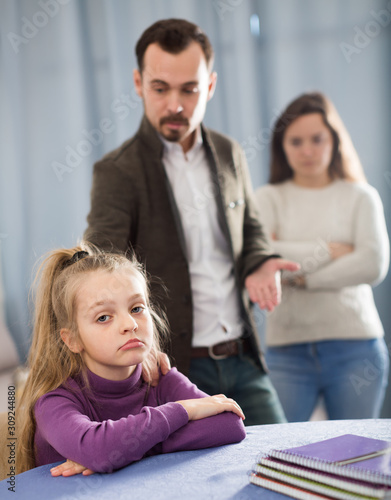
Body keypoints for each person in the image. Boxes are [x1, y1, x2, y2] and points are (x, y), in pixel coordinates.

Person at [84, 18, 299, 426]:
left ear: (211, 86)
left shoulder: (229, 152)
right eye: (160, 88)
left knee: (283, 466)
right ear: (138, 83)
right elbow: (102, 270)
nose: (175, 105)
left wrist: (261, 261)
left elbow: (250, 229)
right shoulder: (117, 171)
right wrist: (137, 344)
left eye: (190, 89)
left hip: (243, 354)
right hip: (172, 368)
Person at [16, 244, 246, 476]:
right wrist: (183, 410)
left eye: (137, 308)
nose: (130, 324)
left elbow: (229, 424)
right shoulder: (53, 402)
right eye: (104, 317)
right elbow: (97, 449)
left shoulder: (159, 377)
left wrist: (124, 450)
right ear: (72, 339)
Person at [255, 92, 390, 421]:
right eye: (296, 141)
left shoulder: (361, 197)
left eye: (317, 139)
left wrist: (300, 276)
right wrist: (331, 251)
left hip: (356, 348)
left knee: (358, 457)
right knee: (285, 457)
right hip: (287, 352)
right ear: (281, 147)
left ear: (335, 139)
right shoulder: (266, 198)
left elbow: (372, 264)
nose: (307, 151)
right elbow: (263, 256)